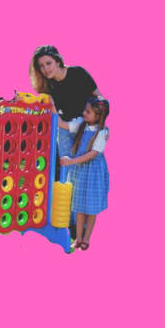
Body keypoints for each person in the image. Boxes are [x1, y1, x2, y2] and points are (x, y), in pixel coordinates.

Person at [29, 45, 106, 159]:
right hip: (66, 128)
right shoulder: (47, 87)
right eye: (41, 66)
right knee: (66, 163)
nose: (45, 69)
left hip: (86, 128)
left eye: (48, 63)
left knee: (87, 163)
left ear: (58, 61)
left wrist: (101, 127)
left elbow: (100, 100)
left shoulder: (78, 73)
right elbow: (53, 115)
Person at [59, 99, 110, 251]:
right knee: (79, 206)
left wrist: (72, 161)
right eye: (85, 110)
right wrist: (52, 108)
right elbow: (63, 124)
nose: (84, 113)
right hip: (80, 171)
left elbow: (92, 154)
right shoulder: (82, 124)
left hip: (93, 173)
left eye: (88, 112)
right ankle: (79, 239)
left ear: (98, 116)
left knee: (91, 209)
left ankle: (86, 238)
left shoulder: (102, 133)